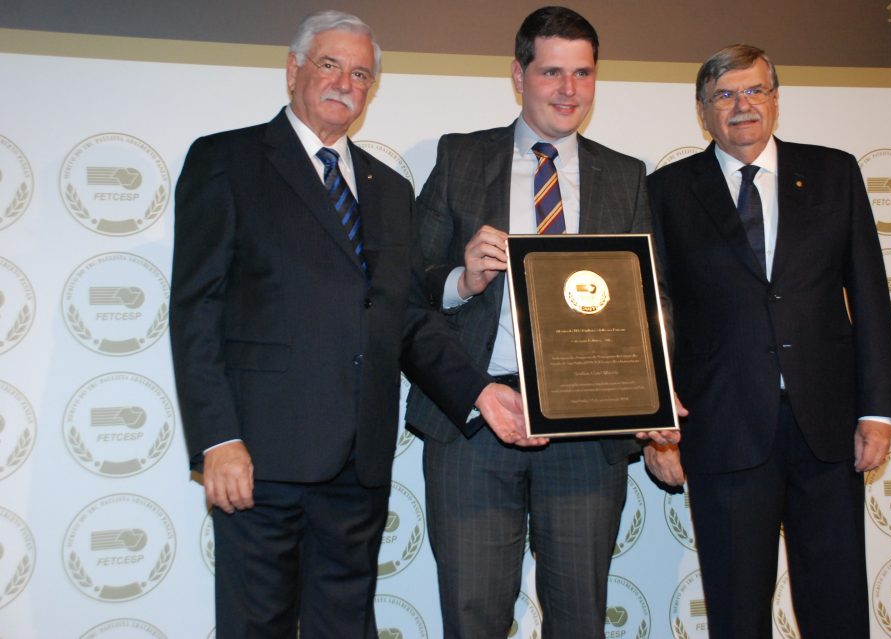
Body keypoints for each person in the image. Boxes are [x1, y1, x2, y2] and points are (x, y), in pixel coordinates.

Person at [170, 11, 525, 639]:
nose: (344, 83)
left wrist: (478, 391)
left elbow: (407, 317)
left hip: (358, 464)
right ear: (293, 70)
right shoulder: (226, 160)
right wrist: (217, 439)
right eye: (330, 65)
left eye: (361, 74)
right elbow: (197, 310)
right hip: (260, 458)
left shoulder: (388, 188)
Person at [404, 6, 678, 638]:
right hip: (476, 420)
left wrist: (654, 399)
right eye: (552, 72)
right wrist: (461, 279)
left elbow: (650, 302)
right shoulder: (460, 158)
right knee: (473, 617)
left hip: (589, 426)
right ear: (518, 75)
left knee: (580, 618)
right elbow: (407, 292)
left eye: (583, 73)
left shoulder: (625, 175)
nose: (569, 90)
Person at [645, 44, 891, 638]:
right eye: (724, 95)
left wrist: (878, 410)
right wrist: (657, 424)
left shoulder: (834, 173)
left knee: (837, 607)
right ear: (702, 111)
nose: (742, 106)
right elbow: (652, 314)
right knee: (737, 612)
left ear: (776, 99)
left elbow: (869, 292)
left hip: (829, 428)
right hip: (722, 427)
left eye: (754, 90)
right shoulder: (665, 191)